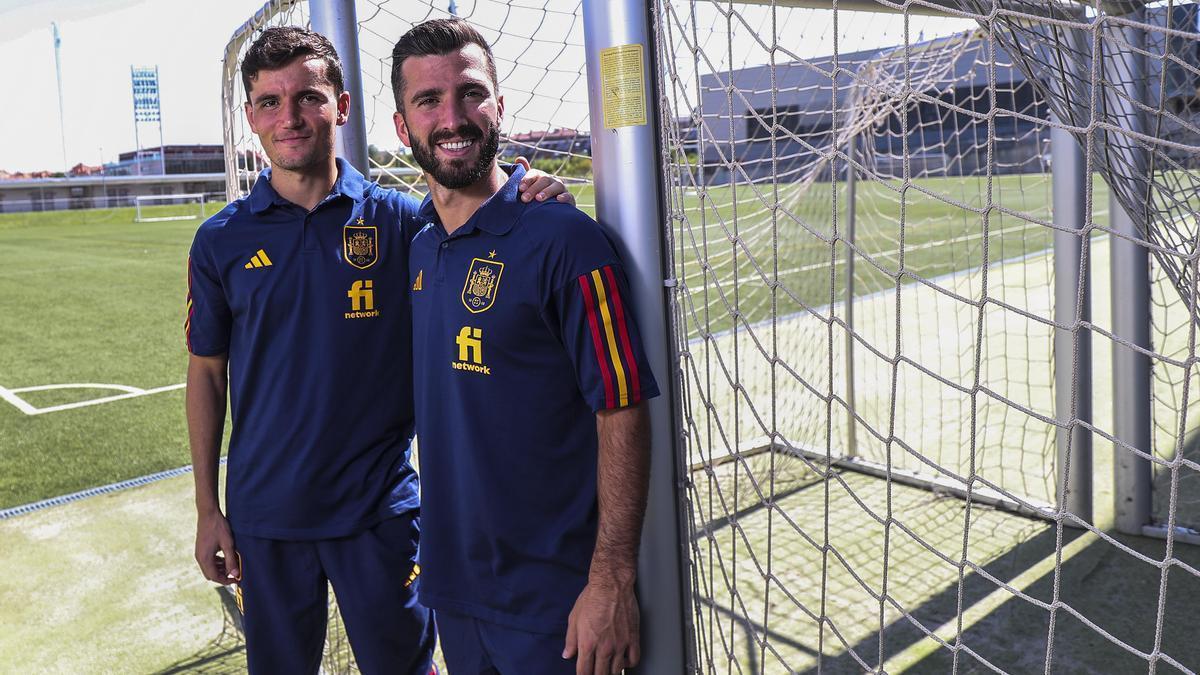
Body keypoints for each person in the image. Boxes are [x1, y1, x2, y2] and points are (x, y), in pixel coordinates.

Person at [184, 26, 572, 675]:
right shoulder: (219, 240)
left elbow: (472, 205)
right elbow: (207, 376)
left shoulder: (398, 221)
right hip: (265, 520)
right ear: (250, 115)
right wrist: (207, 508)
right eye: (271, 101)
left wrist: (531, 184)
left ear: (340, 103)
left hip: (380, 517)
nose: (291, 117)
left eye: (308, 96)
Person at [392, 18, 659, 675]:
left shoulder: (565, 240)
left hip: (557, 607)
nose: (452, 117)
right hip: (454, 596)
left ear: (500, 107)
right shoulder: (419, 246)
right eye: (428, 101)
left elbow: (622, 408)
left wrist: (612, 579)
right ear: (402, 127)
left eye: (471, 94)